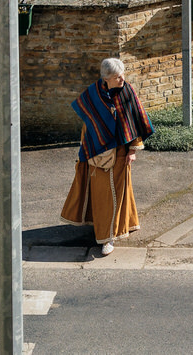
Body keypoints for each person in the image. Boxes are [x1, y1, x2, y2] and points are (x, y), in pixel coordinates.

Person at [61, 57, 154, 256]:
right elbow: (88, 122)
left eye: (122, 75)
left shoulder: (127, 90)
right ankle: (114, 229)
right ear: (106, 78)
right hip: (96, 152)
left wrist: (132, 150)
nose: (122, 79)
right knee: (104, 196)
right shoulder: (93, 94)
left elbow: (134, 120)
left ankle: (108, 238)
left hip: (120, 152)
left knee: (117, 193)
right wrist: (85, 150)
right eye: (117, 77)